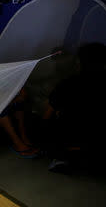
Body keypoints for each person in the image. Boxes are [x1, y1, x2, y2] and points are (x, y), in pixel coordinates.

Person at [43, 43, 106, 173]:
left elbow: (47, 115)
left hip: (69, 144)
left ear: (79, 62)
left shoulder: (68, 84)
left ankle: (64, 157)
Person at [0, 57, 40, 158]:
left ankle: (23, 136)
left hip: (3, 105)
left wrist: (18, 96)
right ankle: (17, 142)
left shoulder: (0, 79)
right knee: (2, 109)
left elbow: (19, 91)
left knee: (19, 105)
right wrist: (15, 98)